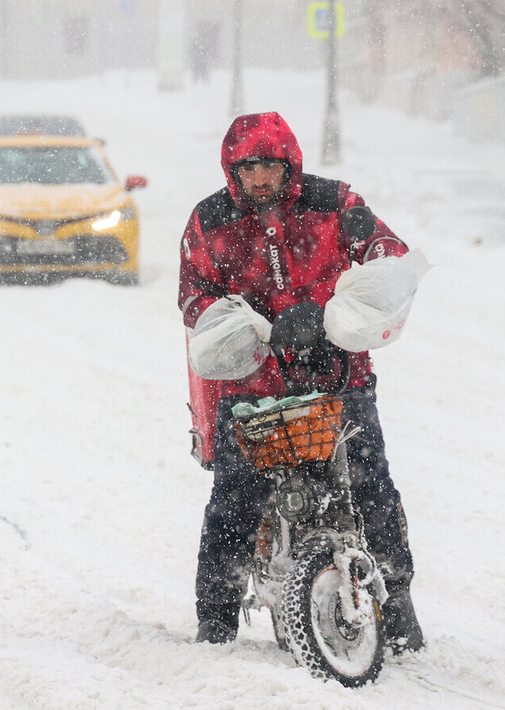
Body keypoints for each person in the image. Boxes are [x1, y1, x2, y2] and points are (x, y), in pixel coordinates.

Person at [179, 111, 425, 652]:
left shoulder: (335, 204)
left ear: (289, 163)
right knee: (234, 504)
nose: (259, 179)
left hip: (341, 382)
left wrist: (360, 277)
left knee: (372, 490)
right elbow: (194, 298)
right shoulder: (210, 223)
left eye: (268, 166)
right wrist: (244, 324)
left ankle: (399, 607)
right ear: (231, 171)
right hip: (254, 393)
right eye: (248, 170)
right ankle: (214, 620)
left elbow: (388, 254)